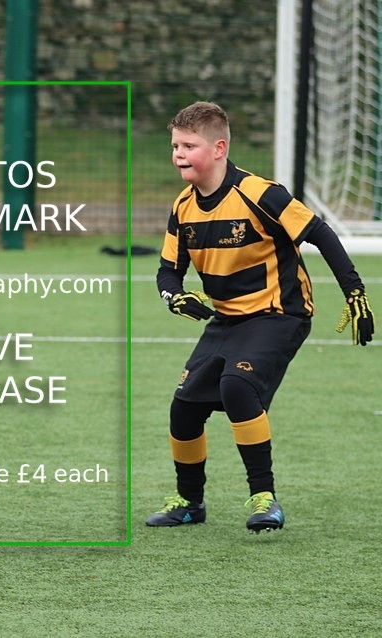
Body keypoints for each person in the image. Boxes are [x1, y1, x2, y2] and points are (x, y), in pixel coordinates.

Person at [145, 101, 374, 534]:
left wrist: (354, 291)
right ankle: (190, 503)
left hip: (279, 314)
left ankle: (264, 498)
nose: (178, 154)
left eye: (189, 146)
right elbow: (167, 270)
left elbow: (320, 233)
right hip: (228, 320)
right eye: (175, 145)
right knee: (184, 407)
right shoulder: (183, 206)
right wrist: (174, 297)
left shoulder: (259, 193)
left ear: (219, 148)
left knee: (237, 385)